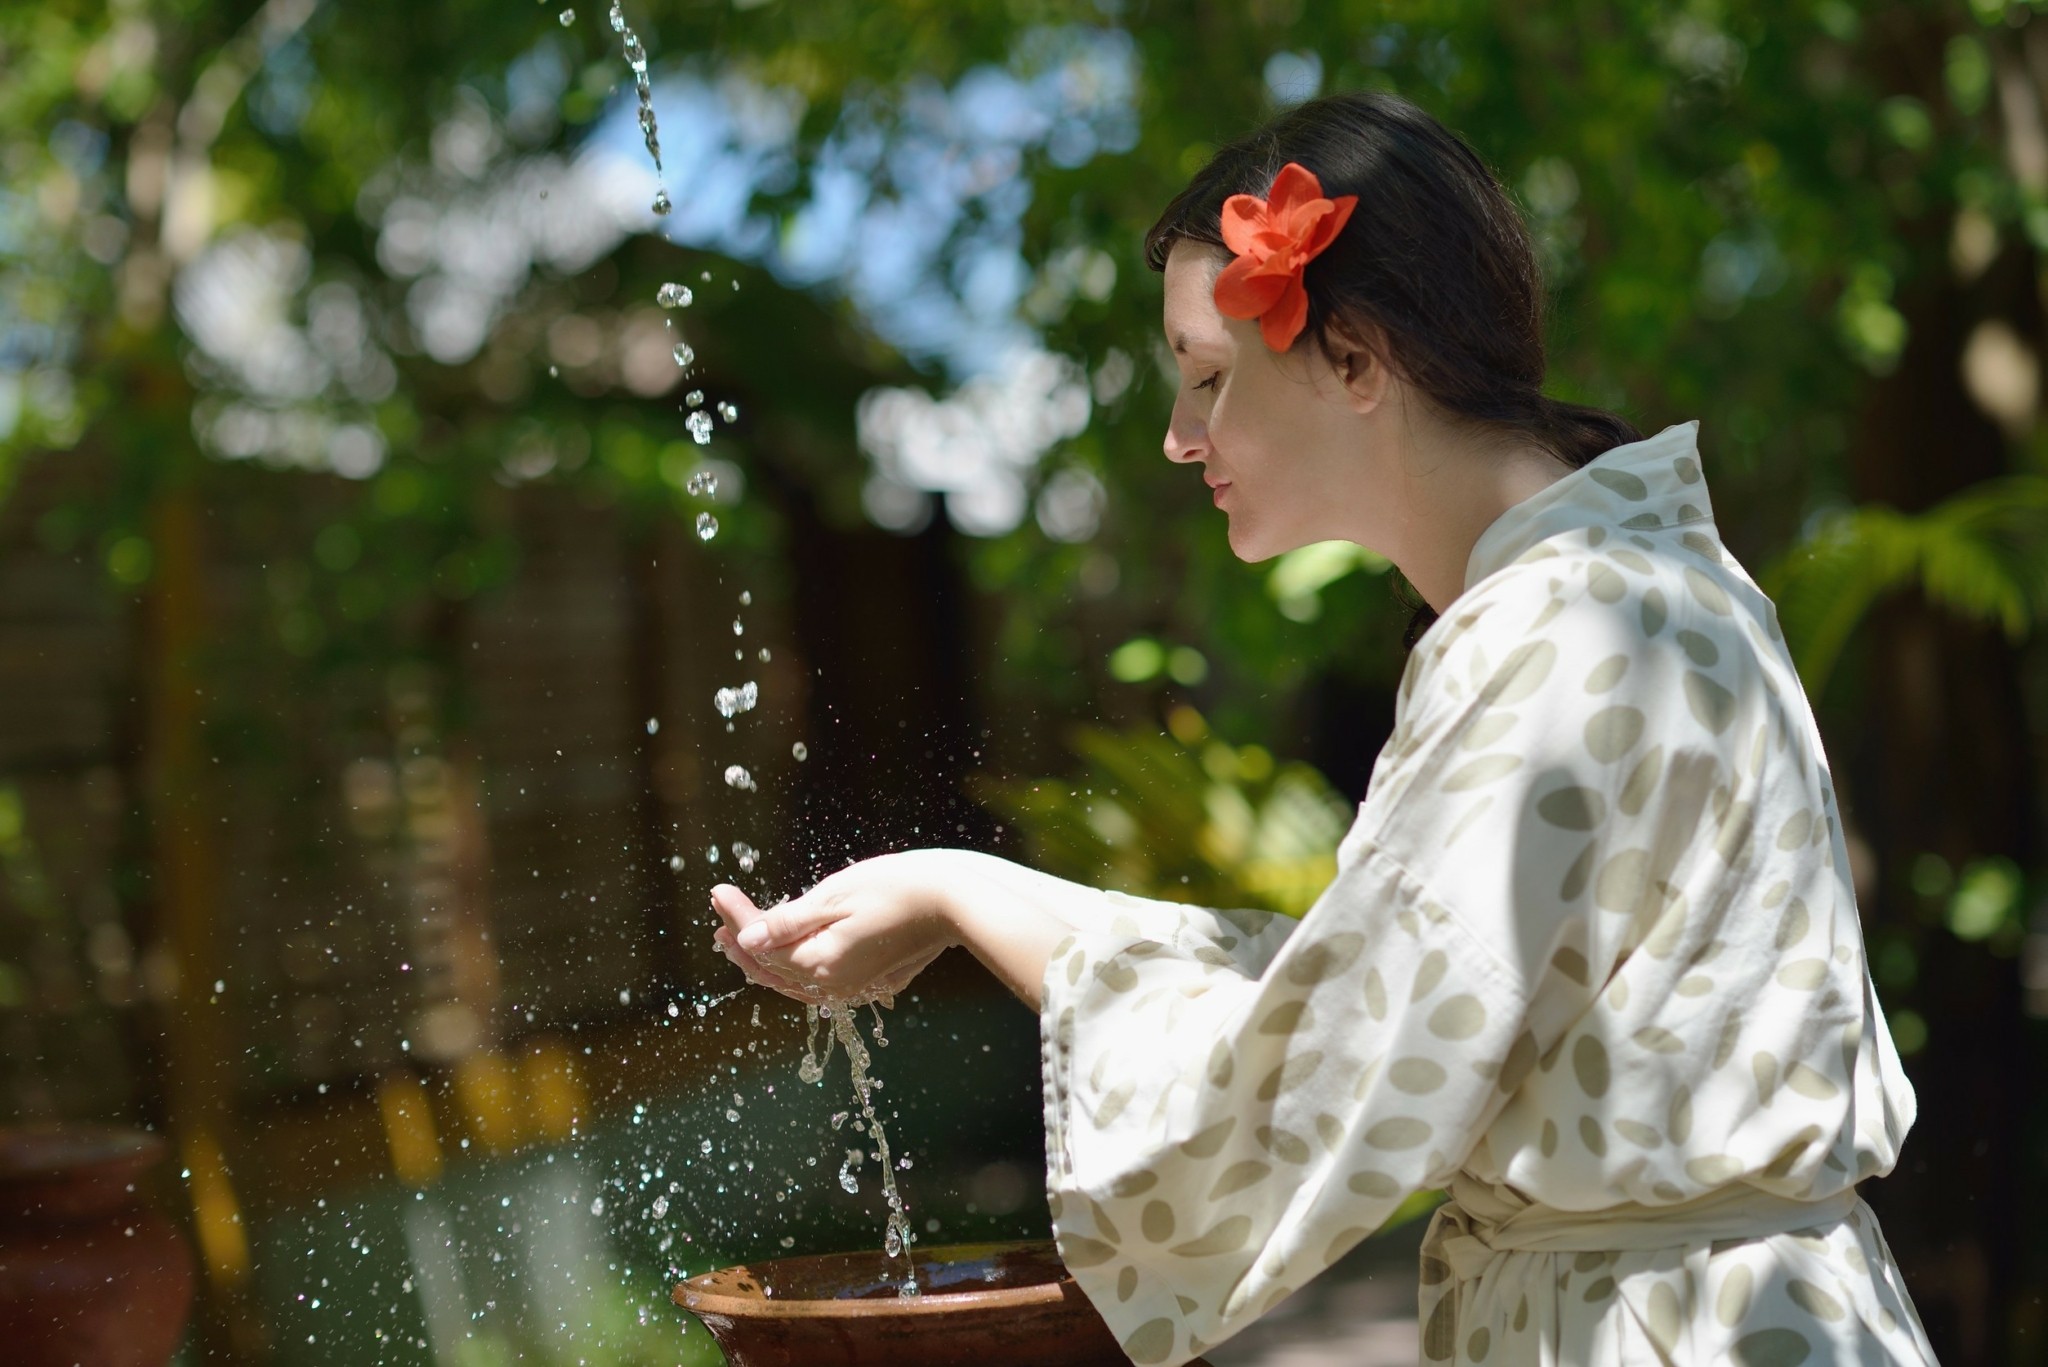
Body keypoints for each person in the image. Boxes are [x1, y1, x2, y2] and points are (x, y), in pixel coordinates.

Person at [709, 90, 1934, 1367]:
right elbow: (1370, 978)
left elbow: (1309, 1076)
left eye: (1208, 377)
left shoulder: (1557, 634)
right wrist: (959, 886)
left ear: (1352, 357)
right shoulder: (1619, 589)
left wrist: (964, 892)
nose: (1179, 437)